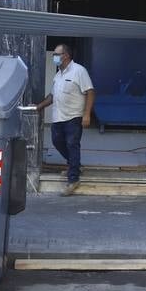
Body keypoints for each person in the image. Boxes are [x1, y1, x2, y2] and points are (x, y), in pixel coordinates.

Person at [34, 43, 95, 196]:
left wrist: (87, 114)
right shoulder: (58, 74)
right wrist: (39, 106)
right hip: (58, 117)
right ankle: (75, 165)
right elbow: (52, 96)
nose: (54, 57)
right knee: (57, 141)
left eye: (56, 54)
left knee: (72, 144)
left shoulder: (79, 71)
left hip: (73, 116)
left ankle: (73, 179)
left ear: (65, 56)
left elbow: (90, 92)